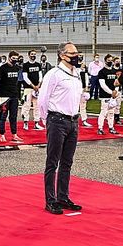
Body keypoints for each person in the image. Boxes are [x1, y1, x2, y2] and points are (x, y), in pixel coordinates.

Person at [37, 42, 85, 214]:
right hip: (57, 120)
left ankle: (63, 197)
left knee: (67, 162)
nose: (76, 56)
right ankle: (50, 200)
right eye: (72, 53)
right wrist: (47, 120)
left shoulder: (77, 73)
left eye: (77, 52)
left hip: (73, 120)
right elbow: (43, 99)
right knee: (52, 162)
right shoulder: (54, 74)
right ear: (62, 55)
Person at [0, 50, 23, 144]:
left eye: (16, 58)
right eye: (13, 58)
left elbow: (17, 82)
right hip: (4, 96)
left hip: (14, 95)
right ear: (9, 57)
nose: (14, 60)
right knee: (3, 116)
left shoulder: (17, 68)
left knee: (13, 116)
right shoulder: (2, 68)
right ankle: (2, 135)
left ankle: (14, 134)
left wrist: (18, 95)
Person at [19, 49, 44, 131]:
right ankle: (25, 122)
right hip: (28, 88)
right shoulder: (25, 65)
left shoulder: (38, 65)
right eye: (32, 54)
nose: (33, 55)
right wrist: (33, 86)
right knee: (26, 105)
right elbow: (25, 77)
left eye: (34, 54)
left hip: (37, 89)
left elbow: (40, 76)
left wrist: (38, 85)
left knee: (37, 106)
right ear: (29, 55)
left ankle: (36, 123)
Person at [96, 54, 119, 135]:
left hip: (113, 95)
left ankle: (111, 127)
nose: (110, 62)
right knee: (104, 112)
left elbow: (117, 83)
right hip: (104, 95)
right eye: (108, 61)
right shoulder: (102, 72)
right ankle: (100, 128)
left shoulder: (114, 71)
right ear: (105, 61)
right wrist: (111, 92)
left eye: (111, 61)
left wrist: (115, 91)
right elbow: (102, 85)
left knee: (111, 112)